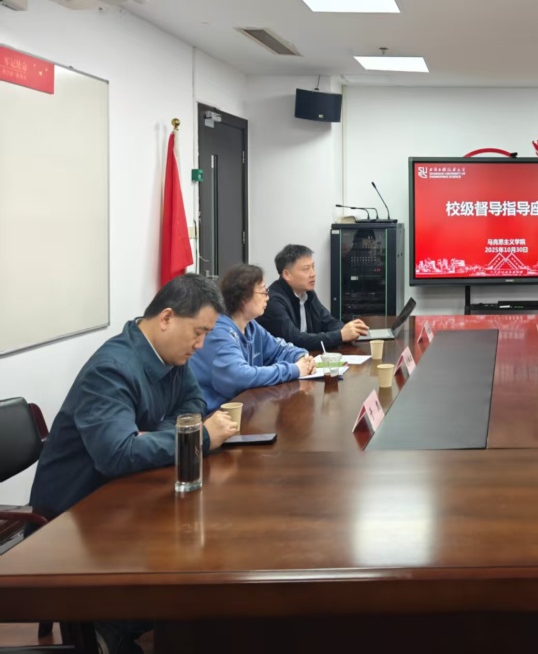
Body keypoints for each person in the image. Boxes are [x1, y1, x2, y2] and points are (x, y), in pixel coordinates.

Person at [28, 275, 239, 654]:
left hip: (128, 491)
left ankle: (144, 621)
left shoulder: (172, 357)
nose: (201, 345)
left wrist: (151, 436)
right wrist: (198, 438)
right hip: (75, 515)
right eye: (199, 332)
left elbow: (193, 405)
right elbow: (118, 453)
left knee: (208, 539)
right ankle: (111, 628)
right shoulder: (111, 369)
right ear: (167, 318)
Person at [190, 264, 317, 411]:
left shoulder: (251, 326)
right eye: (263, 292)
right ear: (243, 298)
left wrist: (301, 357)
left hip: (242, 409)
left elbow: (279, 349)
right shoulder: (217, 331)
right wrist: (294, 369)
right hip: (212, 416)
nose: (267, 297)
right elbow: (240, 376)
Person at [258, 244, 369, 351]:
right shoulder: (273, 301)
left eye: (313, 267)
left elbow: (328, 322)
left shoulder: (308, 293)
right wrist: (340, 335)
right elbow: (294, 340)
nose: (313, 274)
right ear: (287, 275)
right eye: (306, 269)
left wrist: (349, 330)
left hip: (308, 357)